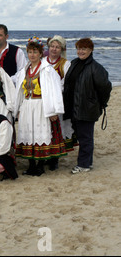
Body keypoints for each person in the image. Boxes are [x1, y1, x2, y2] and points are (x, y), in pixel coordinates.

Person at [13, 37, 67, 176]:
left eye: (35, 52)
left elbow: (55, 90)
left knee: (40, 134)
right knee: (29, 134)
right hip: (27, 106)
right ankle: (31, 166)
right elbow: (19, 89)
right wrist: (18, 108)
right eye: (30, 52)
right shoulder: (24, 70)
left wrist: (55, 110)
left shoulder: (47, 70)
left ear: (41, 53)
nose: (32, 54)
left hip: (41, 106)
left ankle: (40, 166)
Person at [63, 38, 112, 174]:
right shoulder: (74, 63)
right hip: (73, 107)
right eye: (79, 48)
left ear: (91, 50)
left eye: (84, 49)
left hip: (87, 108)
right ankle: (87, 162)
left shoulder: (96, 68)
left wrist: (100, 103)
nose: (81, 51)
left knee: (85, 137)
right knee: (80, 135)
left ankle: (84, 164)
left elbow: (105, 87)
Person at [42, 35, 74, 170]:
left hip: (58, 100)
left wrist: (52, 90)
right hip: (43, 100)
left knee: (57, 129)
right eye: (52, 46)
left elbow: (65, 83)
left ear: (61, 49)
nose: (54, 49)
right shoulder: (43, 61)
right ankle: (45, 155)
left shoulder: (65, 64)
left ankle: (54, 158)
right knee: (44, 129)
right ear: (48, 48)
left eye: (57, 47)